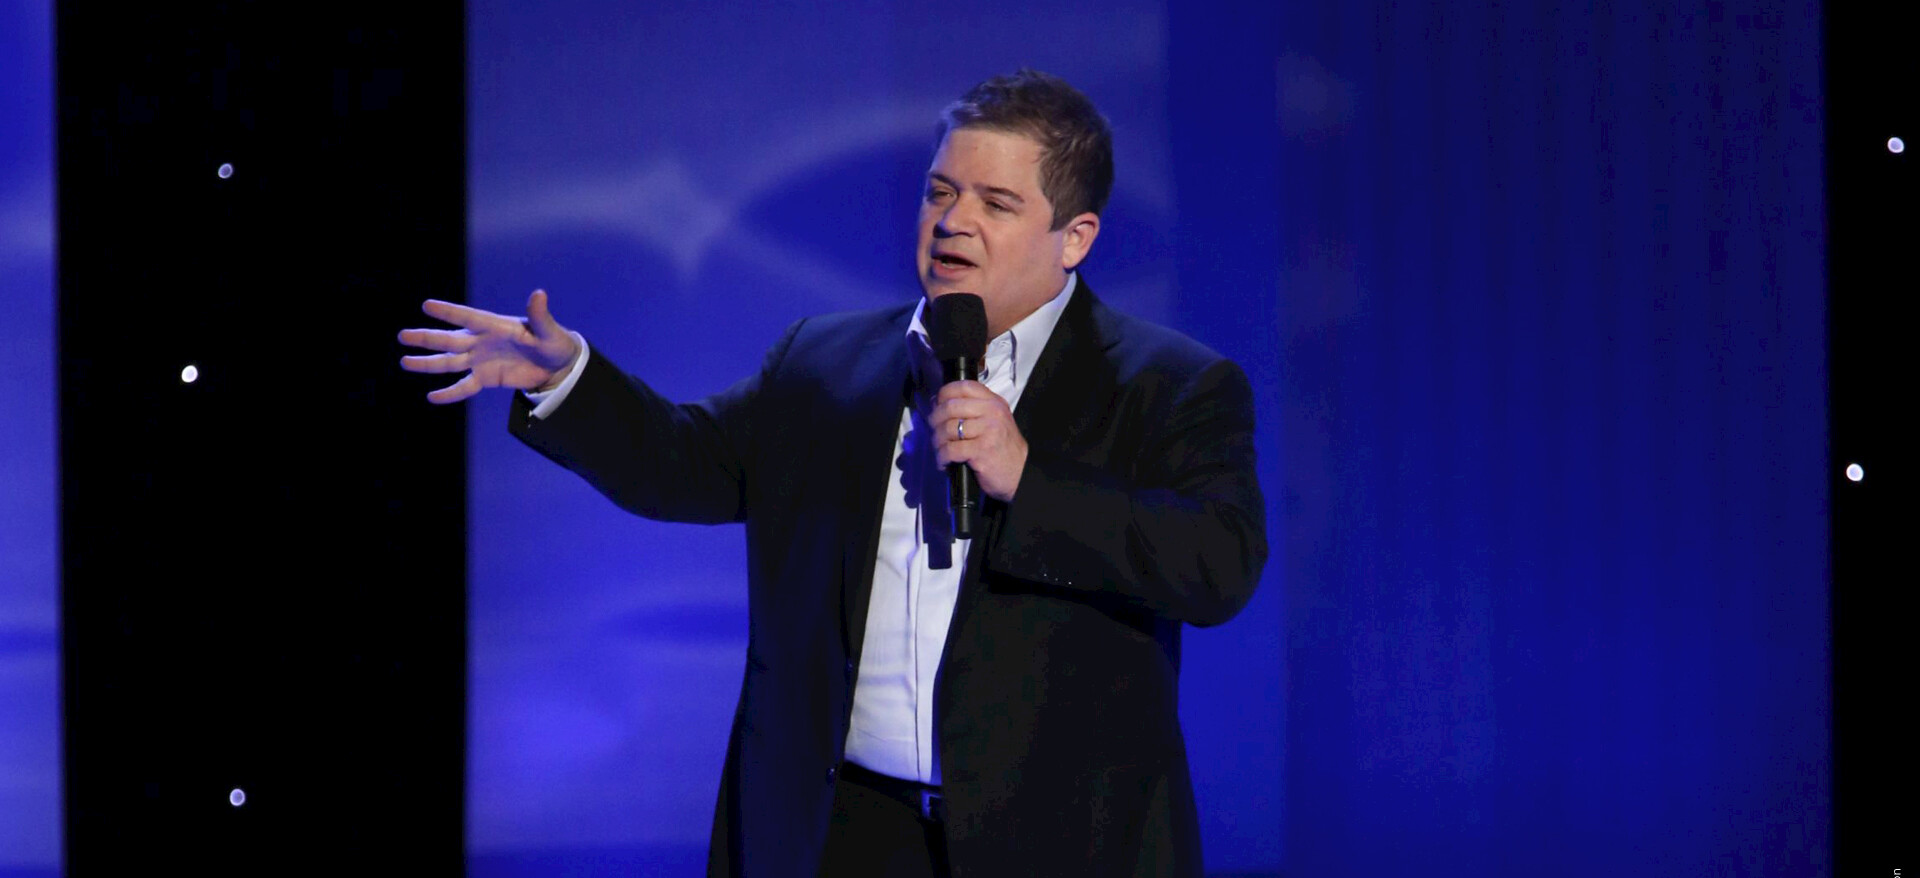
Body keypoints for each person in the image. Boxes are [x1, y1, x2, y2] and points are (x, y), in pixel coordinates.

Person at [400, 69, 1265, 878]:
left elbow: (1219, 563)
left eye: (996, 202)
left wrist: (1028, 480)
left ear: (1074, 237)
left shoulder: (1165, 386)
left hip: (1057, 842)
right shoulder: (827, 362)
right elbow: (682, 463)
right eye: (940, 191)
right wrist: (568, 379)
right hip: (842, 831)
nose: (953, 221)